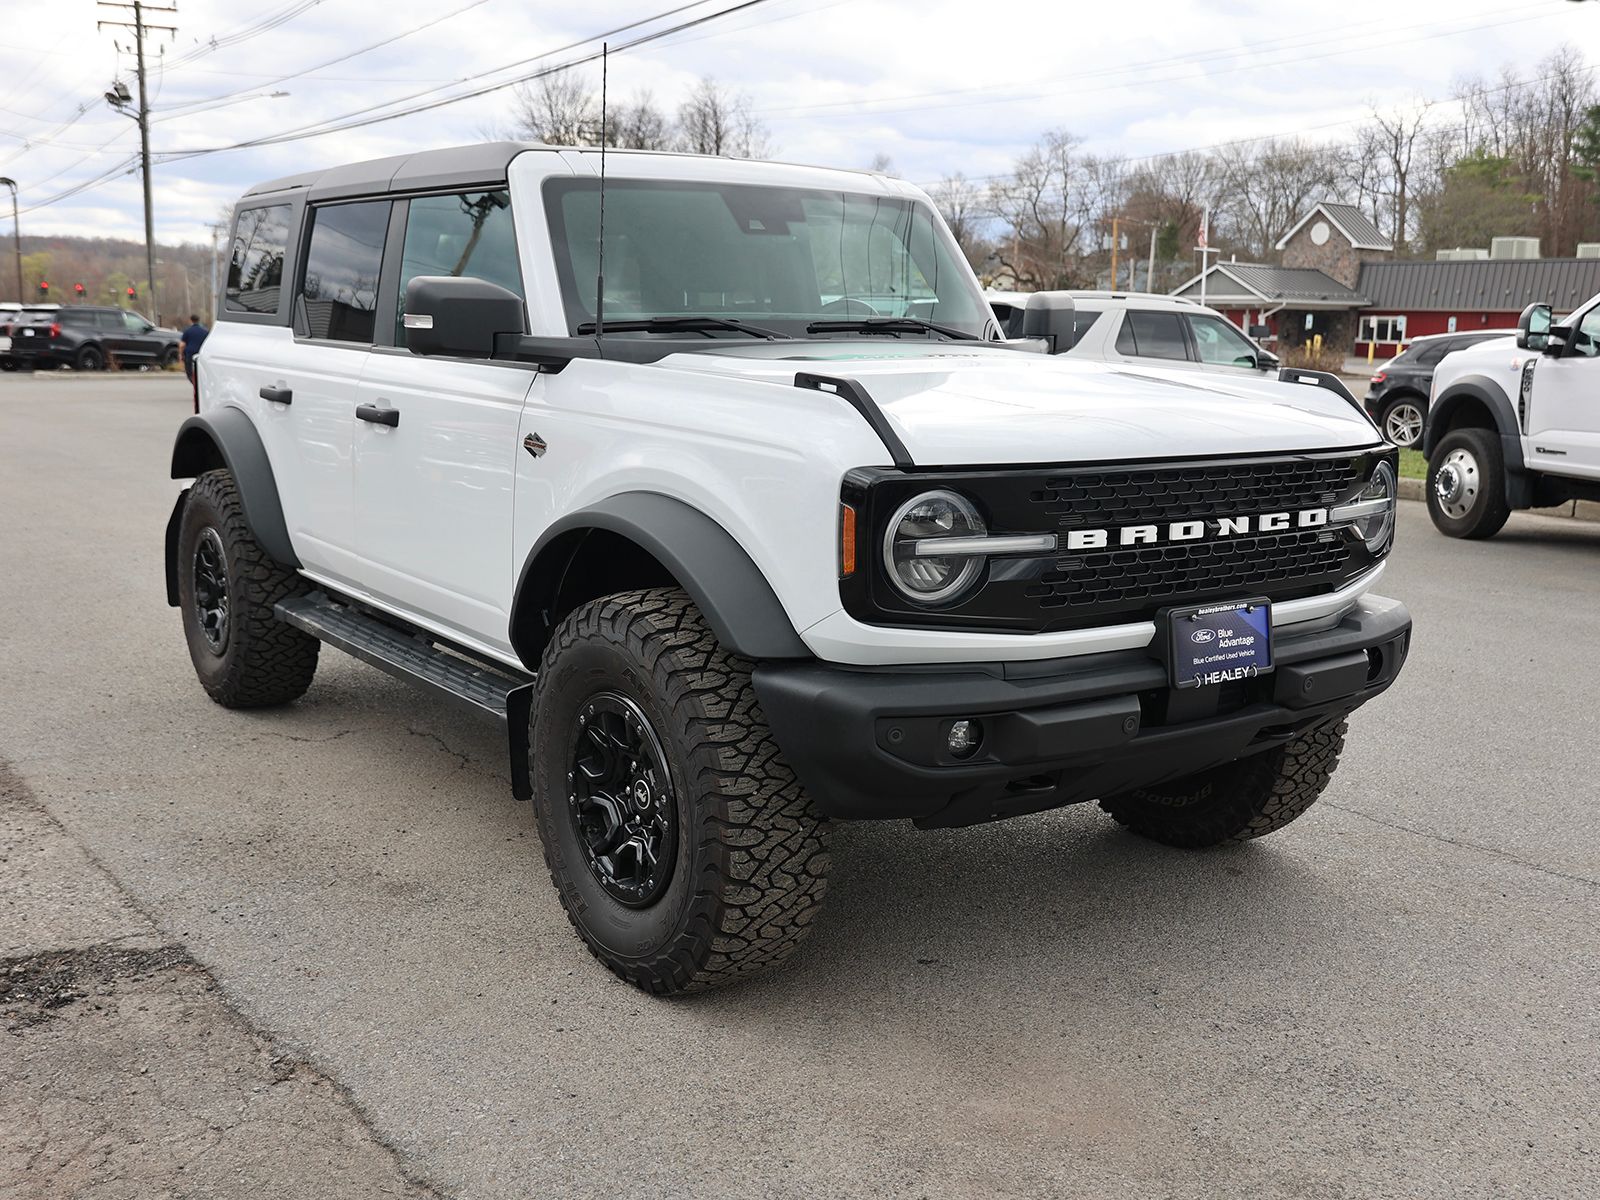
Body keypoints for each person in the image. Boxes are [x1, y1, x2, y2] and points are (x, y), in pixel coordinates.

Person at [180, 315, 208, 384]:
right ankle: (199, 384)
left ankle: (194, 383)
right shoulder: (205, 331)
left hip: (189, 353)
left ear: (190, 320)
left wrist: (180, 354)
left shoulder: (187, 331)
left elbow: (182, 345)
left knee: (189, 372)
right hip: (200, 353)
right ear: (198, 320)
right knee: (200, 371)